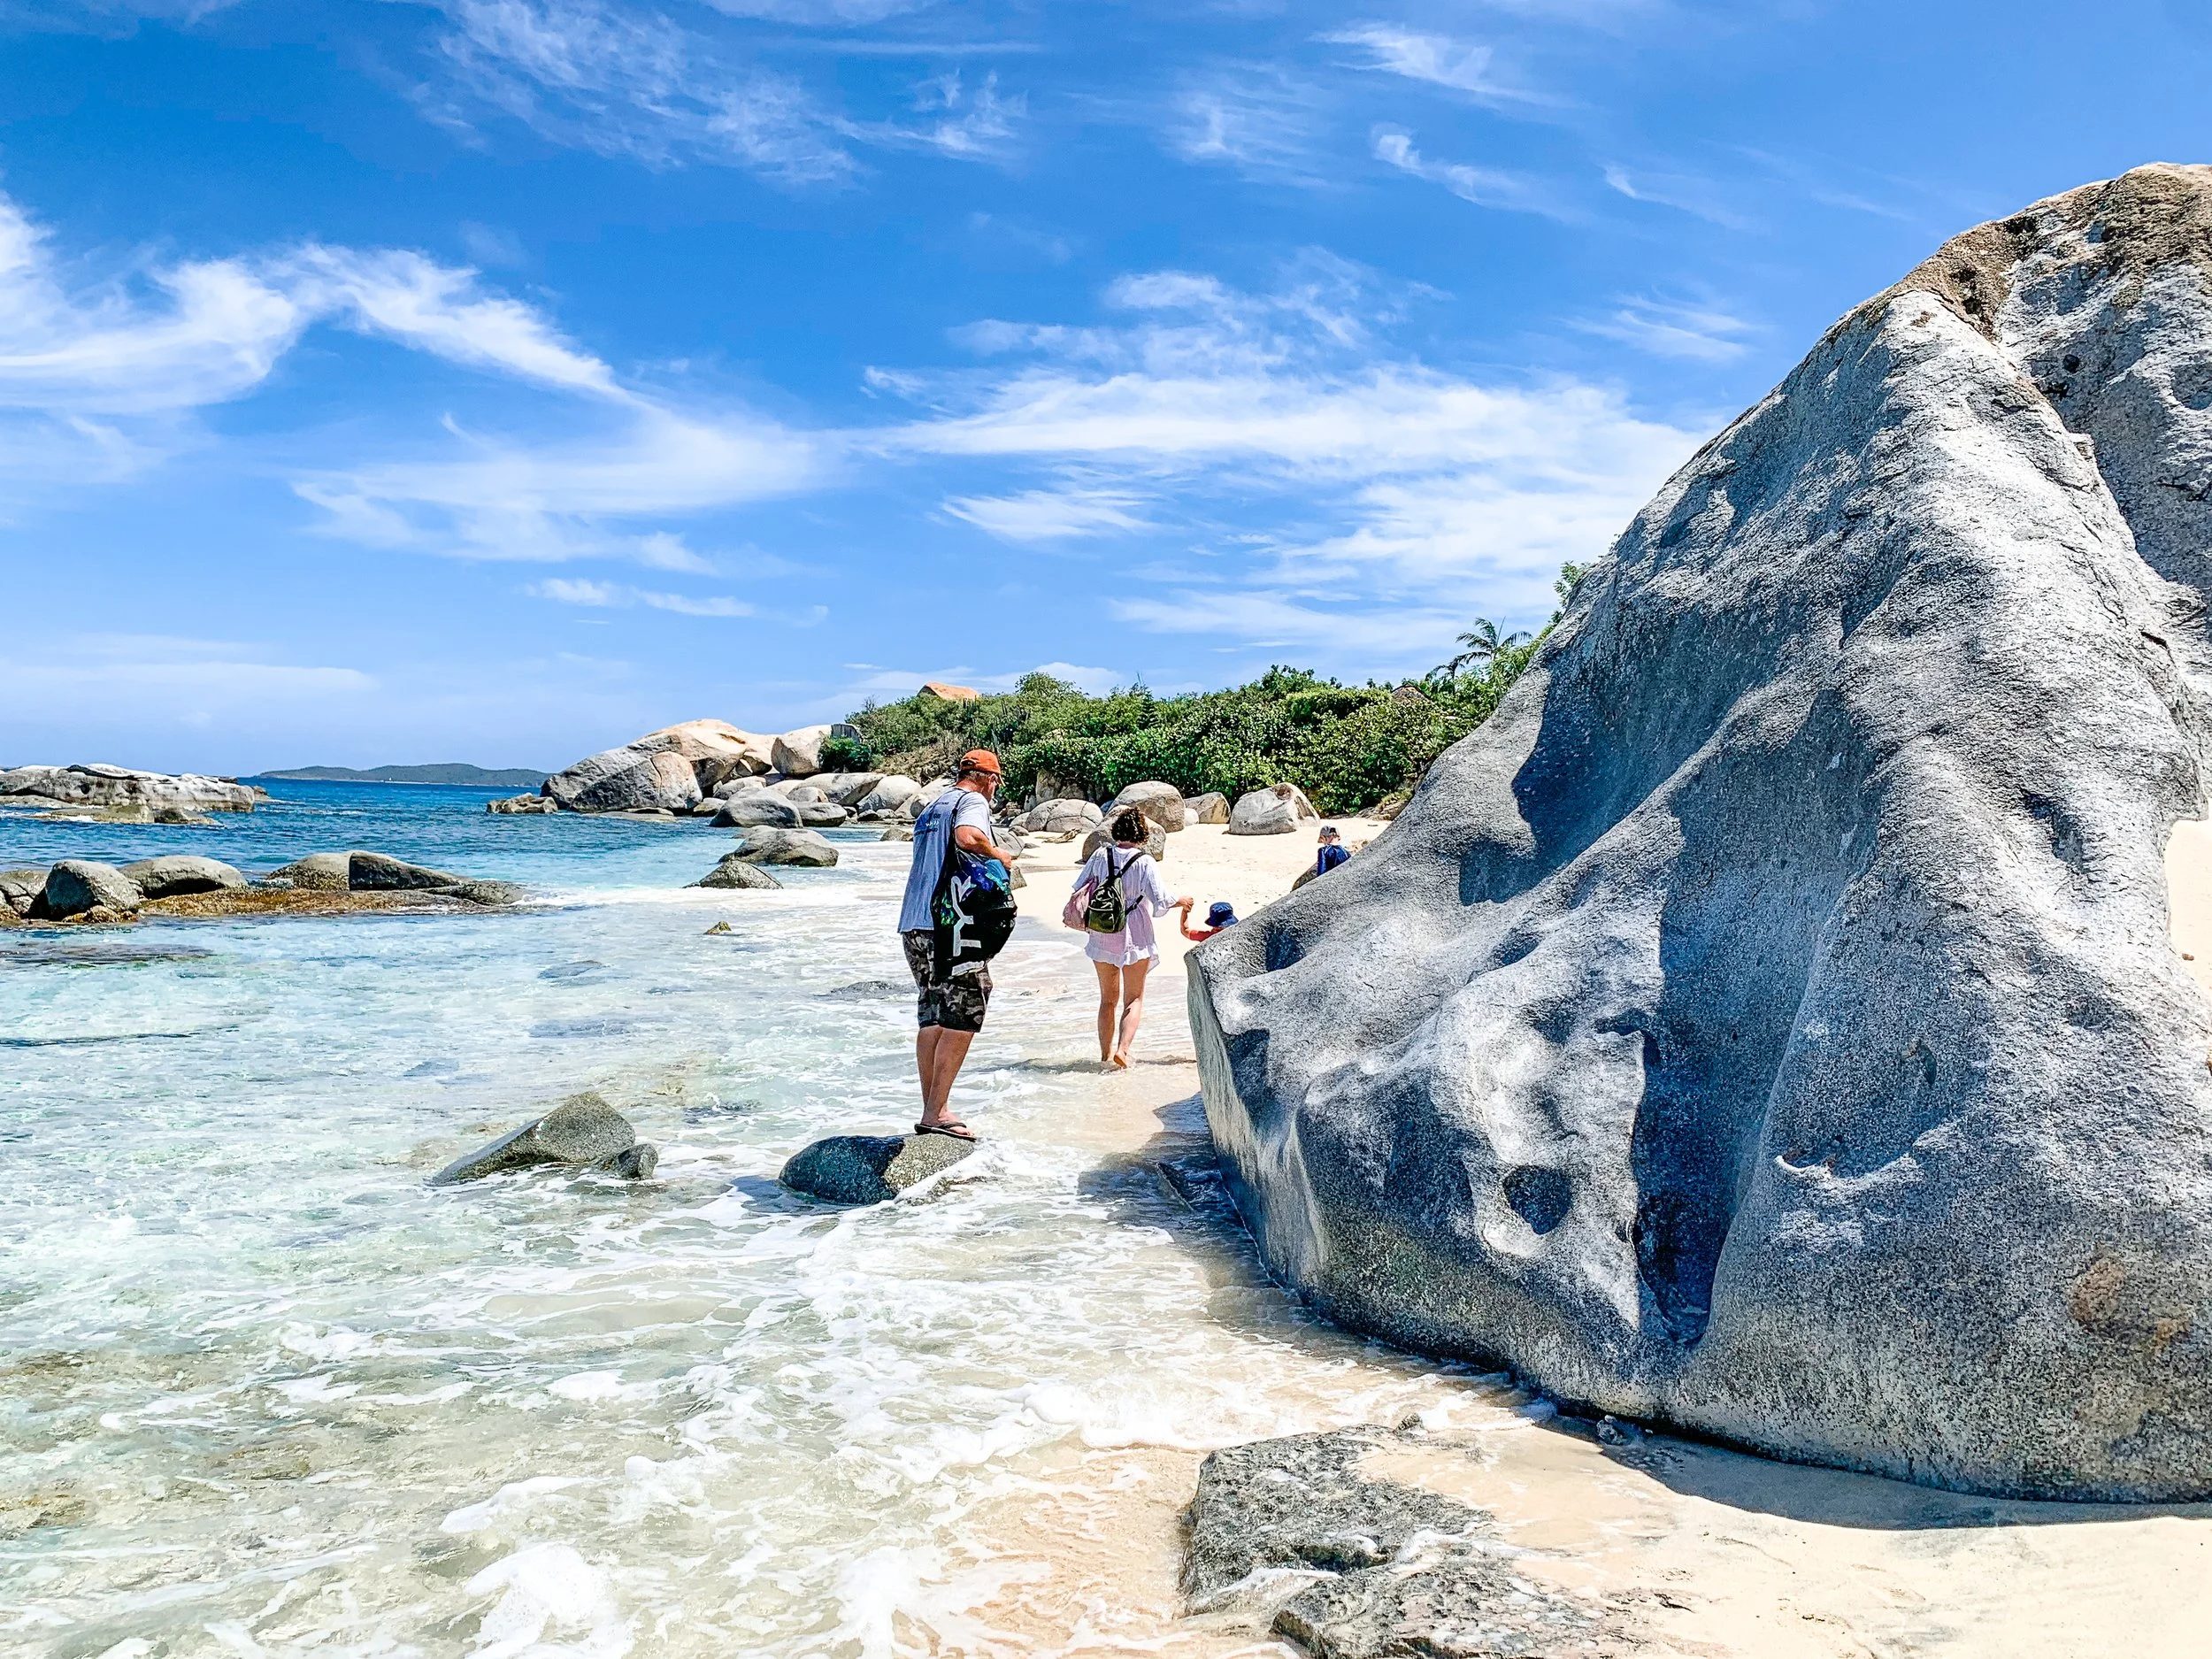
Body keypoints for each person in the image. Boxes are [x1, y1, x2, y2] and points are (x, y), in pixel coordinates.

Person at [896, 750, 1010, 1140]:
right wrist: (1000, 855)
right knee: (965, 1009)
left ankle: (932, 1106)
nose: (994, 789)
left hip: (914, 922)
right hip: (951, 924)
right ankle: (938, 1110)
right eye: (995, 782)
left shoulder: (932, 808)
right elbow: (967, 837)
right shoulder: (972, 801)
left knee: (933, 1012)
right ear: (986, 778)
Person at [1065, 808, 1192, 1069]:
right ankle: (1123, 1050)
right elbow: (1161, 900)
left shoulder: (1101, 855)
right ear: (1143, 835)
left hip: (1103, 931)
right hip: (1135, 934)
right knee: (1133, 999)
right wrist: (1182, 901)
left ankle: (1104, 1056)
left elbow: (1079, 886)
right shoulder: (1145, 862)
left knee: (1107, 1000)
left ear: (1116, 831)